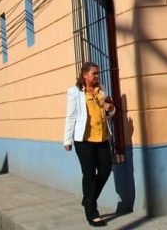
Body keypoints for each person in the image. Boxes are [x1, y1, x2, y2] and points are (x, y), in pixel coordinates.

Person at [63, 62, 116, 227]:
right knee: (89, 175)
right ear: (85, 75)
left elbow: (110, 113)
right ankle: (92, 213)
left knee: (106, 170)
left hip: (102, 138)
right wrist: (67, 139)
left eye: (98, 73)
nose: (97, 76)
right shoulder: (75, 93)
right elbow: (71, 116)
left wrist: (110, 108)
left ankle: (88, 200)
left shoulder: (102, 91)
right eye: (94, 73)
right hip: (84, 140)